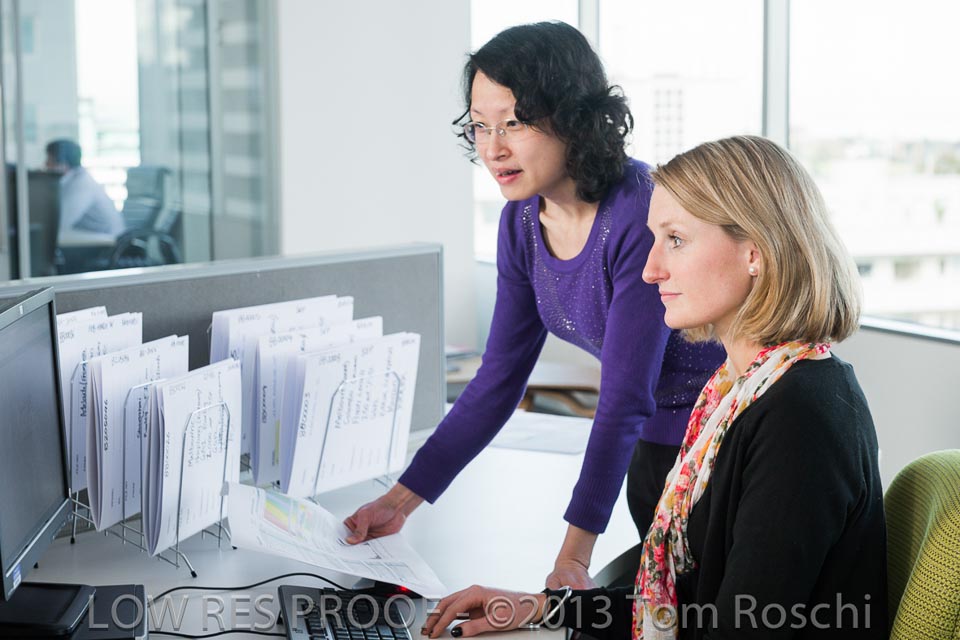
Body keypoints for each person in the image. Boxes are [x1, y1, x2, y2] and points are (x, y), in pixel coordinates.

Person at [421, 136, 888, 639]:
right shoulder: (737, 391)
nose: (650, 269)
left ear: (755, 252)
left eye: (676, 240)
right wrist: (542, 607)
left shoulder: (799, 418)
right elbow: (695, 605)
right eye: (653, 239)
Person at [344, 21, 724, 589]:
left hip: (721, 441)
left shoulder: (638, 210)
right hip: (651, 448)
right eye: (480, 125)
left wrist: (573, 559)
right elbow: (498, 380)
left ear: (572, 118)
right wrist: (397, 503)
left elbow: (624, 397)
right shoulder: (520, 223)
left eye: (514, 123)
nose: (493, 148)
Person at [44, 139, 125, 237]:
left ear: (62, 162)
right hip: (96, 237)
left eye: (50, 159)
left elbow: (60, 223)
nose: (46, 164)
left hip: (107, 241)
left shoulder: (81, 184)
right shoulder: (74, 180)